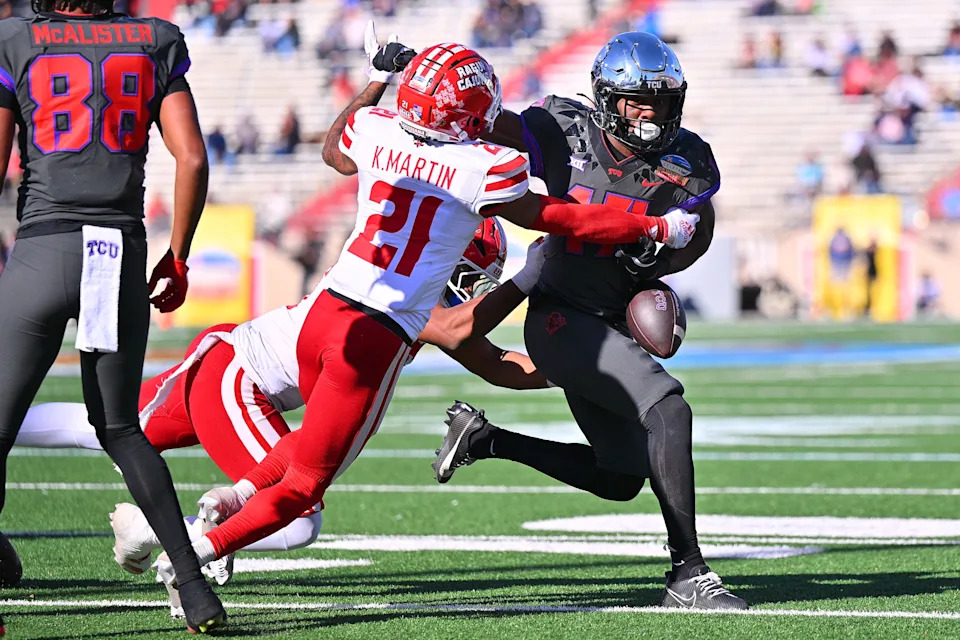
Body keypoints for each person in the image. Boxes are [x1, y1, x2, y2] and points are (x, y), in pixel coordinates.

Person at [156, 27, 702, 583]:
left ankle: (218, 508)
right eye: (470, 273)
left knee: (245, 448)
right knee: (302, 497)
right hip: (352, 339)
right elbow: (550, 229)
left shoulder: (376, 127)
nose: (470, 284)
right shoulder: (482, 169)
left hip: (324, 318)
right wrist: (648, 229)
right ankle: (187, 552)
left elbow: (337, 148)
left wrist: (377, 78)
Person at [14, 221, 549, 596]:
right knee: (298, 518)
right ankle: (161, 532)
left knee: (105, 427)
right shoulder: (405, 292)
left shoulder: (407, 288)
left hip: (228, 361)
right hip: (239, 380)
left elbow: (499, 365)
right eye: (472, 277)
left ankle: (2, 421)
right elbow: (458, 328)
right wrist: (531, 276)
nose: (474, 292)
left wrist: (580, 372)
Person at [433, 32, 748, 609]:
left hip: (613, 321)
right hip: (560, 316)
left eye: (660, 101)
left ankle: (487, 439)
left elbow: (697, 237)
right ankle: (688, 573)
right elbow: (480, 123)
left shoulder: (689, 160)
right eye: (637, 101)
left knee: (620, 476)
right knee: (668, 408)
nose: (649, 113)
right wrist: (417, 92)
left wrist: (659, 262)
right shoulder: (563, 131)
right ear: (607, 98)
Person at [0, 0, 225, 633]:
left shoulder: (15, 38)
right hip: (114, 255)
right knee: (121, 428)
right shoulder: (153, 39)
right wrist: (177, 256)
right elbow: (192, 158)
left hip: (44, 249)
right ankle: (193, 586)